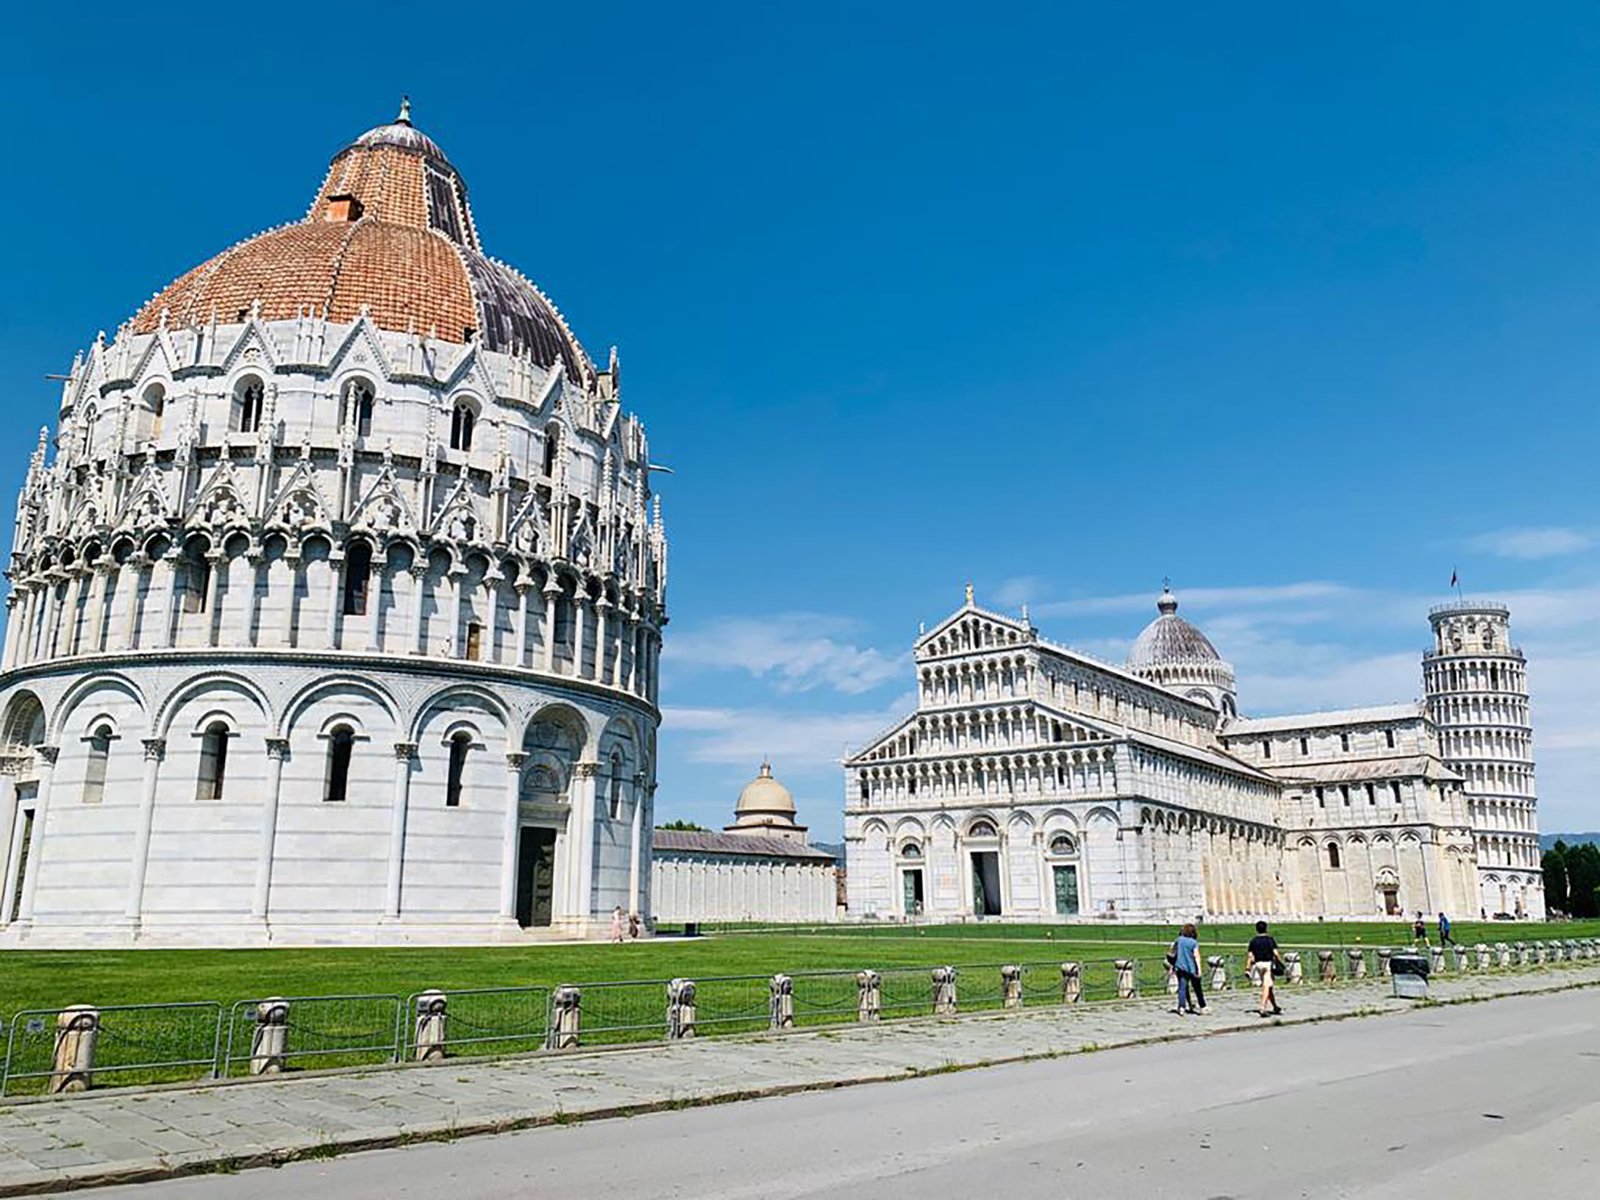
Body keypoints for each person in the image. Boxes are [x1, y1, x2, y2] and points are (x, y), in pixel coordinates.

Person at [1245, 920, 1282, 1017]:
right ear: (1266, 928)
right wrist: (1280, 962)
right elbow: (1276, 953)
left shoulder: (1253, 941)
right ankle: (1262, 1007)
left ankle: (1275, 1006)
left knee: (1268, 987)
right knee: (1266, 986)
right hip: (1268, 965)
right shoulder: (1270, 940)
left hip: (1258, 965)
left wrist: (1247, 968)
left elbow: (1250, 956)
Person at [1171, 923, 1206, 1015]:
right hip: (1192, 968)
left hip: (1180, 967)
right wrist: (1199, 969)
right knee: (1197, 988)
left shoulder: (1179, 940)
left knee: (1182, 988)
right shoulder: (1193, 942)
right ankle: (1202, 1006)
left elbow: (1172, 950)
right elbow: (1196, 956)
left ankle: (1181, 1007)